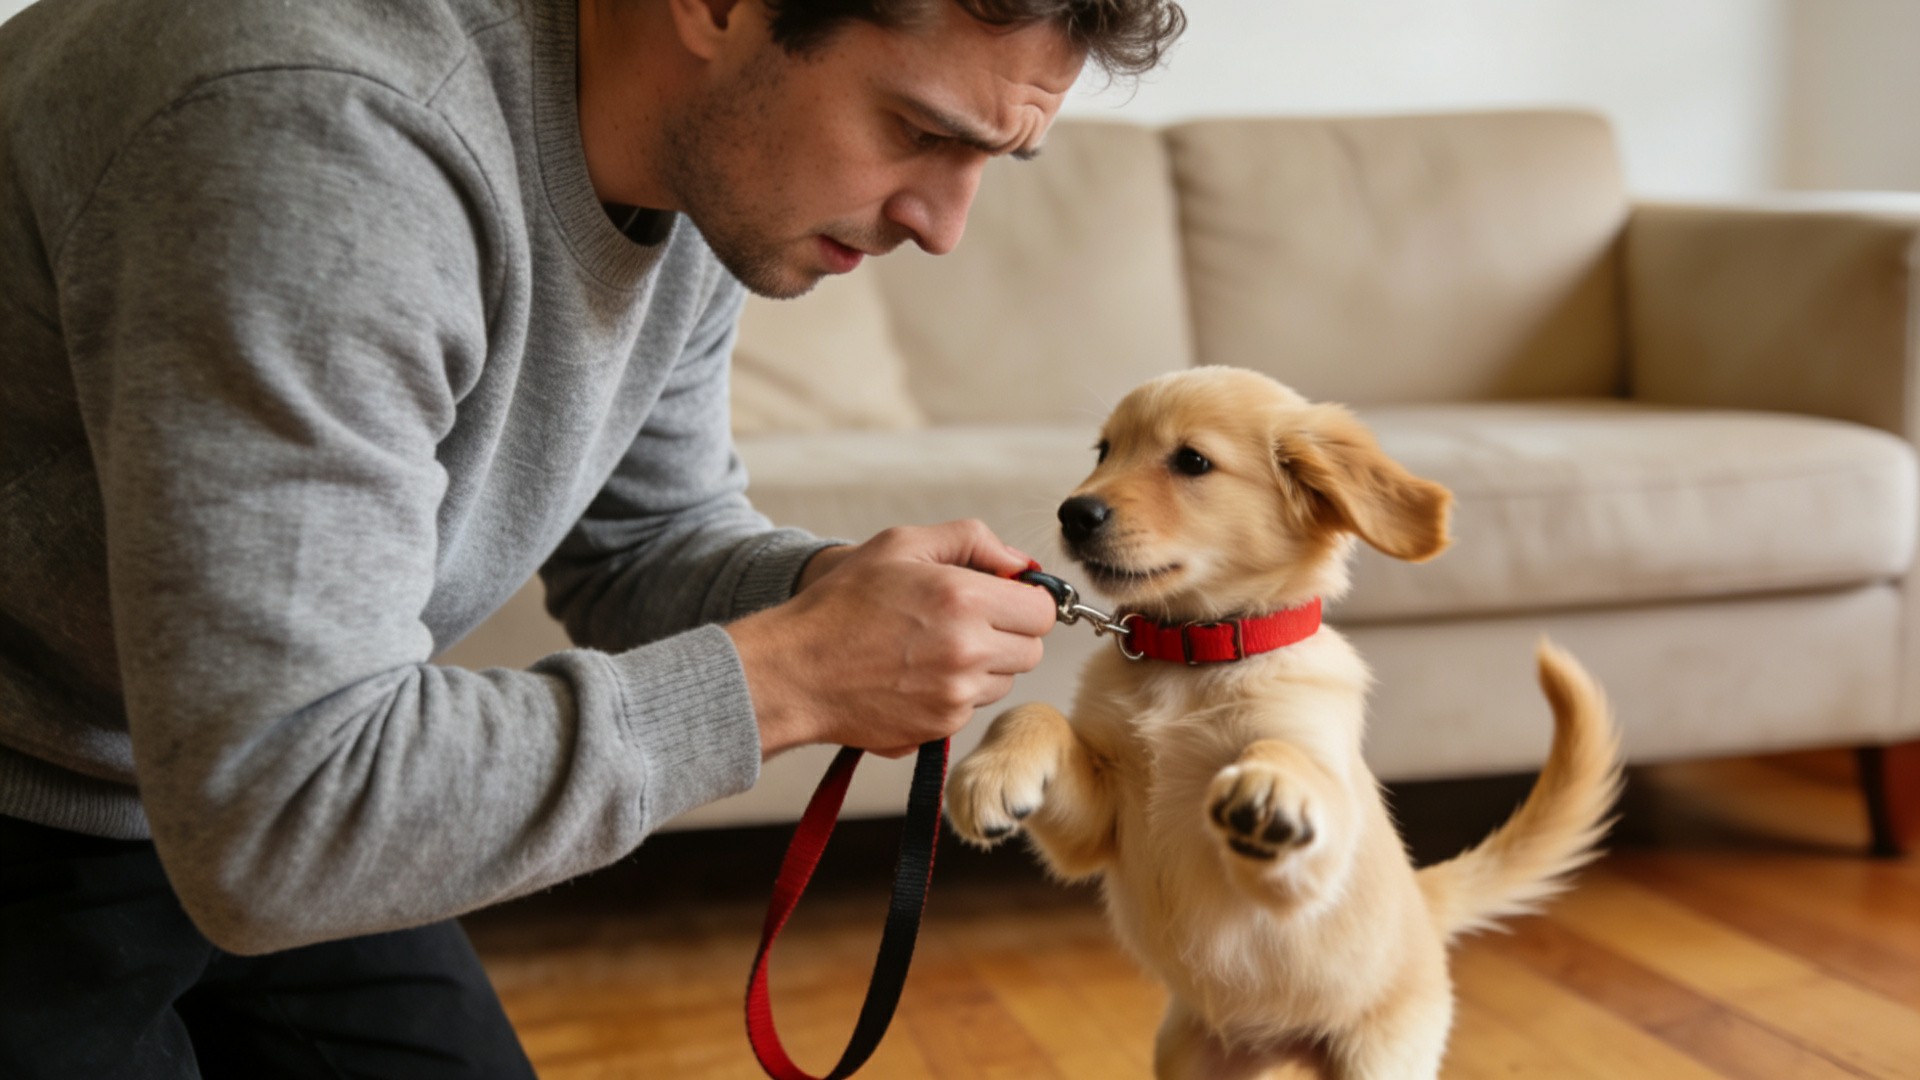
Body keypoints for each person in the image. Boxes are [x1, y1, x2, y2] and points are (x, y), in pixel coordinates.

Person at [0, 0, 1185, 1074]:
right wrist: (798, 672)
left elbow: (643, 540)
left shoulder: (710, 168)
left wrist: (835, 598)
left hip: (251, 782)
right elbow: (290, 816)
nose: (943, 226)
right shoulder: (321, 135)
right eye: (919, 131)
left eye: (992, 160)